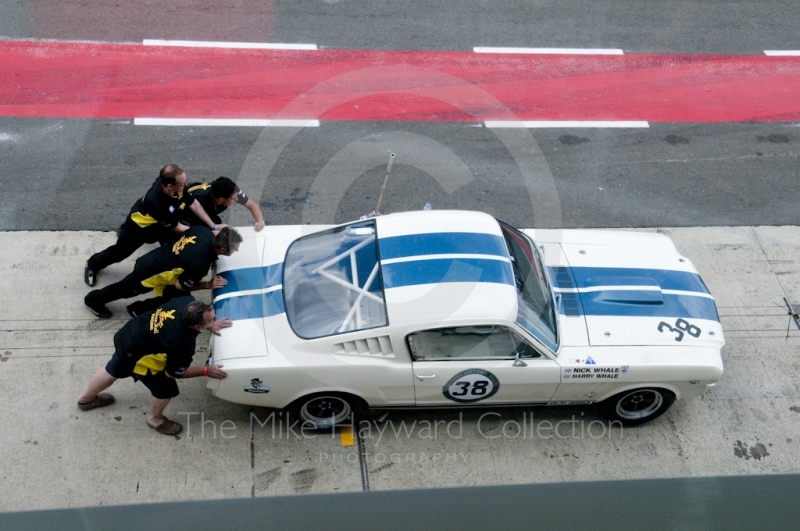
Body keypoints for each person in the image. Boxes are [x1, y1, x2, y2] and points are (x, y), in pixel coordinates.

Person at [76, 296, 231, 436]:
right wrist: (206, 370)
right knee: (164, 390)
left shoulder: (185, 301)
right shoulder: (181, 343)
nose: (214, 318)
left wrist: (209, 324)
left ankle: (86, 400)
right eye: (211, 319)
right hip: (140, 357)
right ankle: (155, 420)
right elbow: (174, 373)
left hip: (129, 335)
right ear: (198, 327)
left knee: (113, 368)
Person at [84, 164, 226, 287]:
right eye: (183, 184)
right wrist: (206, 234)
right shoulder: (156, 203)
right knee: (119, 253)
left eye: (186, 181)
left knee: (174, 246)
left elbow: (193, 203)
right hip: (139, 228)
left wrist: (213, 225)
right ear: (170, 186)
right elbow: (178, 228)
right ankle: (92, 265)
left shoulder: (176, 187)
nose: (187, 185)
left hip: (161, 223)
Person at [84, 226, 243, 319]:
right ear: (222, 249)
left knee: (175, 298)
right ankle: (93, 300)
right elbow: (181, 286)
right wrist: (208, 284)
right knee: (123, 290)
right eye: (234, 249)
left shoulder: (203, 231)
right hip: (150, 274)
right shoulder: (199, 264)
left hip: (156, 258)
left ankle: (138, 309)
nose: (236, 251)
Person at [185, 176, 265, 232]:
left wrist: (260, 221)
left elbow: (252, 205)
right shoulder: (200, 200)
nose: (237, 199)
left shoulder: (233, 192)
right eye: (233, 199)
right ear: (221, 200)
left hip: (209, 211)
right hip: (186, 213)